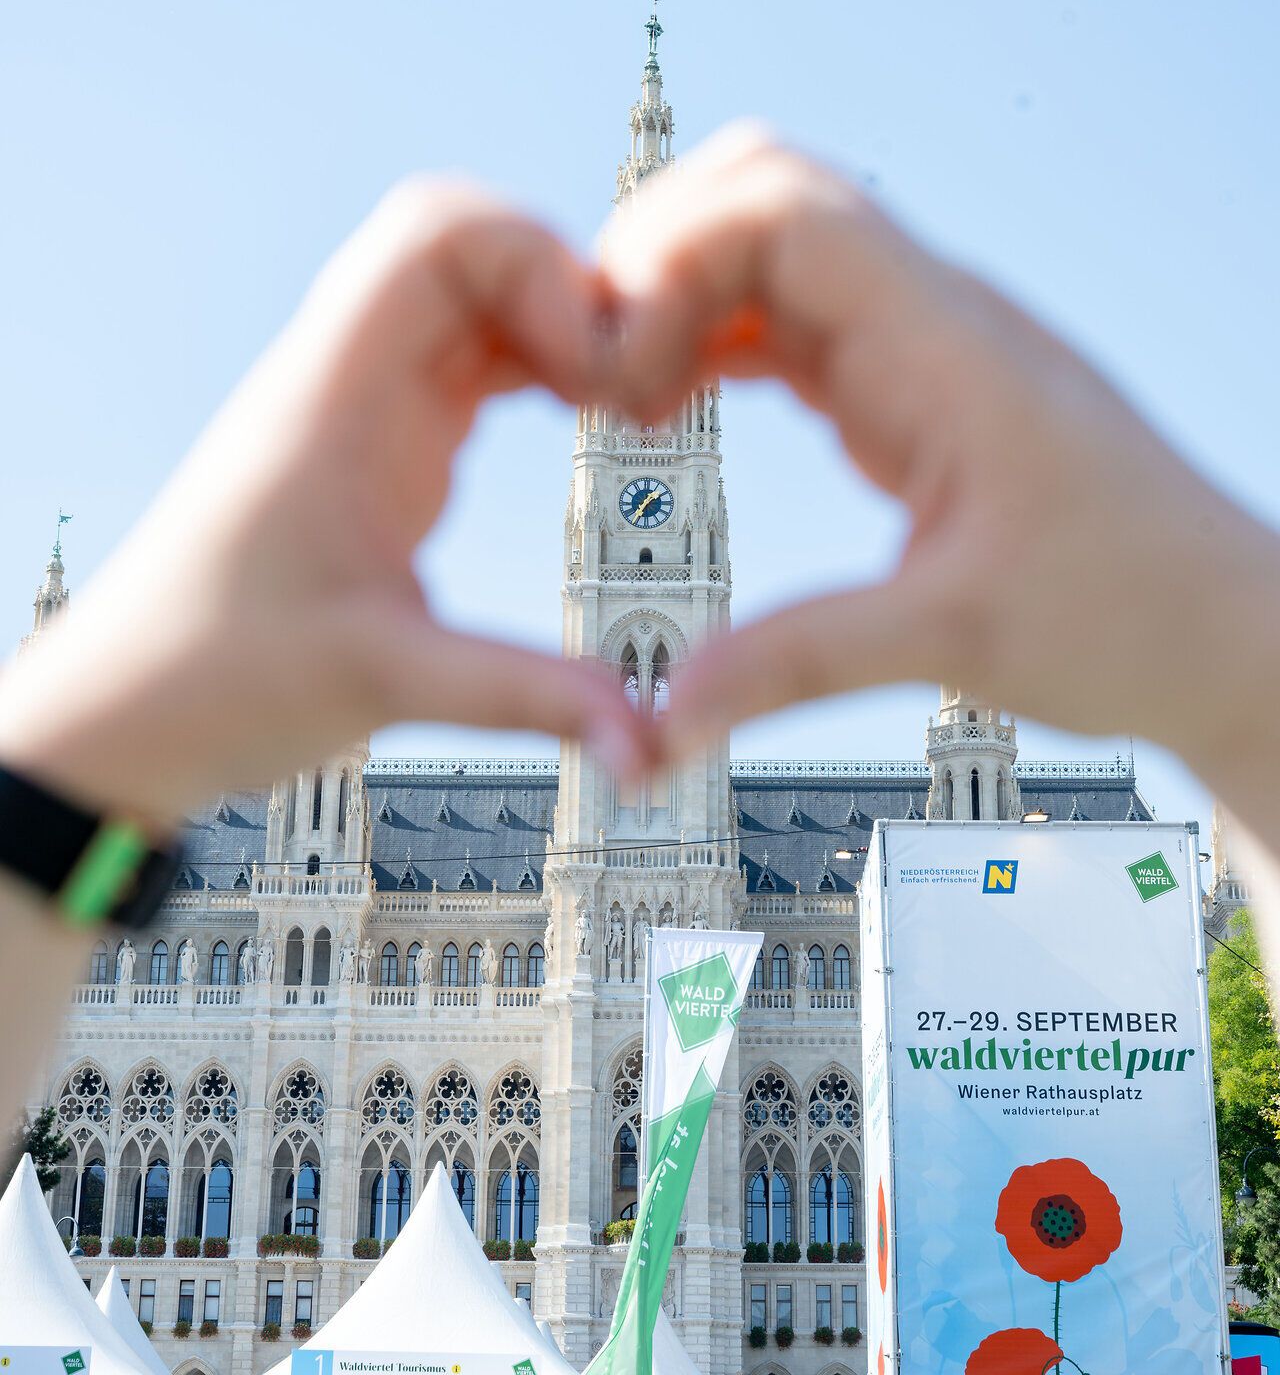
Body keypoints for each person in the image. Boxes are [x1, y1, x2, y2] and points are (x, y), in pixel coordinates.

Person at [0, 130, 1276, 1133]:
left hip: (698, 884)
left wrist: (65, 780)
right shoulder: (611, 524)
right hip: (573, 885)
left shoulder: (686, 517)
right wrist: (1242, 690)